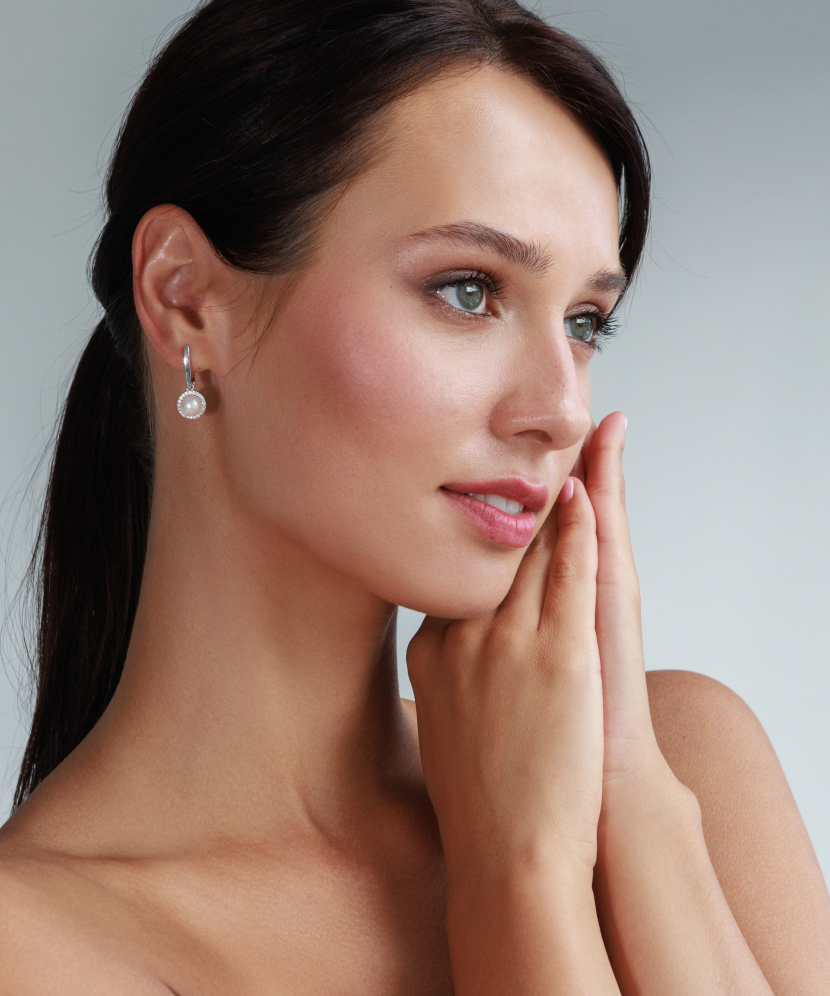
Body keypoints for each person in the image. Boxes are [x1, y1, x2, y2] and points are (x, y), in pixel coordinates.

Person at [1, 0, 828, 992]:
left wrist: (632, 806)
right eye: (467, 290)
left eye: (582, 322)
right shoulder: (37, 943)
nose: (561, 409)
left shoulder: (680, 759)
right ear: (187, 300)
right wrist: (512, 874)